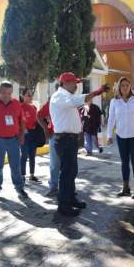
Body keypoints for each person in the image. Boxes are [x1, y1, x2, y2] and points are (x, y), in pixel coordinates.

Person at [50, 72, 108, 216]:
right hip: (64, 139)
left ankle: (70, 199)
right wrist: (97, 92)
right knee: (66, 173)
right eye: (73, 82)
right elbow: (78, 100)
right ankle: (64, 205)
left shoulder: (66, 96)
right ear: (64, 83)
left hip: (69, 139)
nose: (76, 85)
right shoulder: (60, 96)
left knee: (71, 171)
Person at [0, 81, 28, 199]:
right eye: (3, 92)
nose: (6, 95)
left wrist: (22, 135)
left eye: (9, 93)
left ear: (12, 93)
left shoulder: (16, 104)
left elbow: (22, 121)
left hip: (13, 139)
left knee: (15, 166)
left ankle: (19, 188)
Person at [107, 78, 134, 199]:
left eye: (127, 85)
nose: (125, 87)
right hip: (121, 136)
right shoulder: (114, 102)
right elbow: (111, 119)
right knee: (124, 162)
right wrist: (109, 135)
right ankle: (126, 187)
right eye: (122, 85)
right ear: (119, 88)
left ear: (130, 86)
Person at [20, 88, 40, 183]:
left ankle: (32, 175)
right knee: (24, 155)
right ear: (23, 96)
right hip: (25, 134)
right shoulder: (20, 107)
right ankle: (22, 175)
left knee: (32, 155)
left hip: (34, 134)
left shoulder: (34, 107)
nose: (30, 96)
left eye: (31, 94)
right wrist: (23, 130)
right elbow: (18, 121)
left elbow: (36, 120)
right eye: (28, 95)